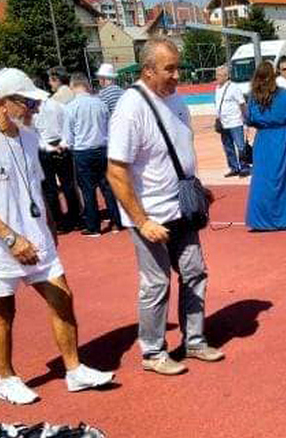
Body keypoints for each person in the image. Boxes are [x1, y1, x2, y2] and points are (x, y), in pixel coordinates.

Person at [0, 68, 114, 405]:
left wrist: (50, 226)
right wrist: (11, 238)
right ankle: (6, 379)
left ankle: (74, 370)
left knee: (63, 296)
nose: (34, 109)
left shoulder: (28, 136)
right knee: (3, 313)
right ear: (2, 102)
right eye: (27, 102)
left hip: (36, 239)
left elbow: (37, 187)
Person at [107, 38, 224, 376]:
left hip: (182, 208)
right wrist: (141, 221)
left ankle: (195, 340)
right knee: (156, 283)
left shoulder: (176, 101)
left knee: (195, 272)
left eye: (177, 67)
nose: (177, 75)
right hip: (151, 216)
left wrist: (197, 190)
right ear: (147, 70)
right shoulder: (131, 108)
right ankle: (153, 351)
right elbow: (115, 170)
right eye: (169, 69)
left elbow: (178, 153)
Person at [245, 62, 286, 231]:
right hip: (283, 138)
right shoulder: (282, 95)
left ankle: (263, 219)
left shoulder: (253, 97)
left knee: (263, 180)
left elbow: (249, 119)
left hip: (264, 141)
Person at [63, 73, 122, 236]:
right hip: (103, 148)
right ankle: (117, 221)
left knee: (88, 190)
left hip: (83, 151)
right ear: (87, 86)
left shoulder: (71, 107)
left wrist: (70, 146)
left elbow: (68, 136)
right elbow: (109, 126)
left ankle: (93, 226)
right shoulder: (100, 104)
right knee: (108, 187)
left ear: (73, 86)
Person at [32, 85, 82, 233]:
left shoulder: (35, 111)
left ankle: (59, 221)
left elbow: (35, 134)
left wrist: (49, 147)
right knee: (68, 184)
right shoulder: (59, 106)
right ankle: (75, 218)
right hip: (60, 145)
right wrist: (63, 144)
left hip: (45, 148)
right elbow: (67, 127)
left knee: (50, 188)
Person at [214, 65, 250, 178]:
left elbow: (242, 103)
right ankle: (234, 167)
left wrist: (247, 117)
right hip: (223, 123)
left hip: (235, 122)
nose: (217, 77)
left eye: (219, 75)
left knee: (240, 145)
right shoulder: (217, 88)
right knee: (227, 146)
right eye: (216, 75)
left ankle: (244, 167)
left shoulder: (233, 87)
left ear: (226, 76)